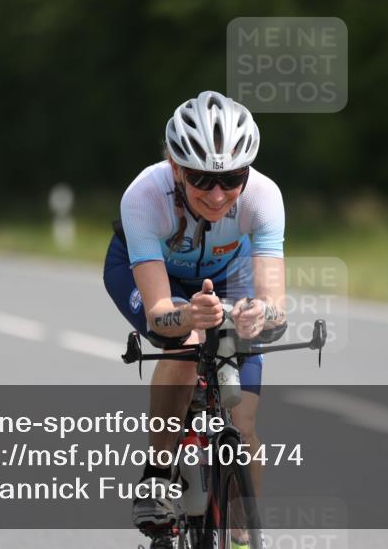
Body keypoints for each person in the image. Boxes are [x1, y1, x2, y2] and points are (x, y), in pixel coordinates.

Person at [104, 91, 288, 543]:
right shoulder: (145, 196)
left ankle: (243, 531)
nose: (218, 193)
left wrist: (257, 317)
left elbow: (275, 306)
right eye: (202, 179)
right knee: (184, 346)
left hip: (229, 278)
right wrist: (188, 316)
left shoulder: (263, 197)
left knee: (243, 424)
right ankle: (159, 475)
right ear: (176, 169)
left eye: (231, 177)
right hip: (153, 276)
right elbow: (161, 313)